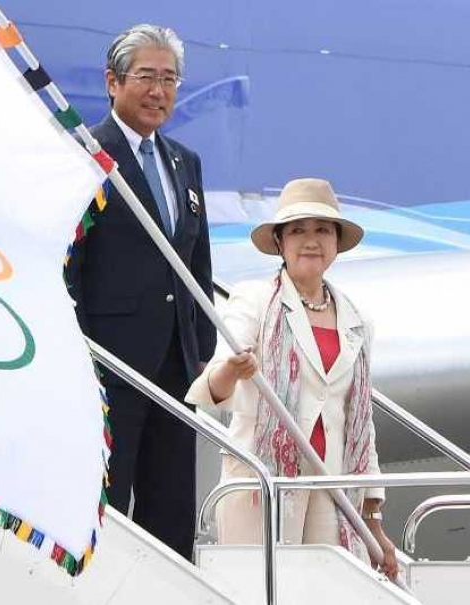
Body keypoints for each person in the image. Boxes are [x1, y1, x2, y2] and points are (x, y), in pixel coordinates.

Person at [185, 178, 399, 579]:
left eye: (322, 230)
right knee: (260, 588)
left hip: (332, 486)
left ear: (336, 243)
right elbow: (211, 390)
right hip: (262, 484)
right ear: (280, 243)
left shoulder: (357, 319)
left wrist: (373, 518)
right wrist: (234, 369)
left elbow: (361, 424)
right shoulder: (254, 300)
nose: (311, 240)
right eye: (298, 230)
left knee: (329, 588)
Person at [66, 24, 216, 560]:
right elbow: (70, 267)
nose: (159, 91)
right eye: (147, 77)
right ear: (113, 82)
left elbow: (197, 266)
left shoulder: (185, 162)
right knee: (103, 511)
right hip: (111, 369)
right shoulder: (85, 154)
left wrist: (200, 353)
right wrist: (82, 354)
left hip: (177, 372)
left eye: (170, 80)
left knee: (171, 514)